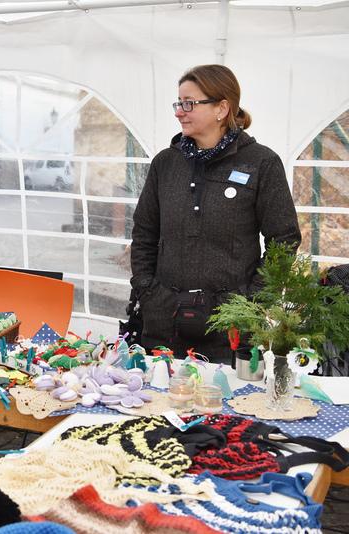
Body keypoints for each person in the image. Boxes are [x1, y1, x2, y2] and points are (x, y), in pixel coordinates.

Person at [130, 64, 301, 364]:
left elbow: (283, 239)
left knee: (228, 407)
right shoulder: (165, 163)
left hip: (230, 330)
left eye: (189, 103)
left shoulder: (261, 163)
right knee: (157, 405)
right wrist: (148, 290)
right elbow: (144, 233)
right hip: (164, 325)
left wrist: (252, 302)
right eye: (178, 103)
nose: (179, 111)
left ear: (222, 108)